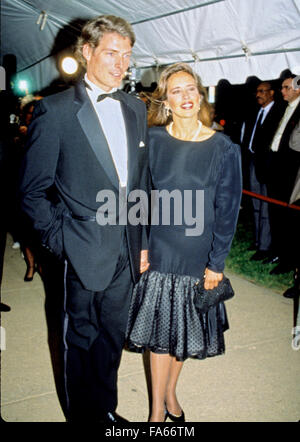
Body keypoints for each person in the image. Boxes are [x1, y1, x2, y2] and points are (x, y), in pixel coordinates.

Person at [19, 15, 149, 423]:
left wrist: (143, 242)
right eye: (112, 53)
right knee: (80, 341)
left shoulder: (134, 108)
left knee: (111, 340)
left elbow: (140, 183)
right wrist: (62, 242)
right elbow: (31, 192)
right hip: (81, 249)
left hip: (127, 251)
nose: (121, 64)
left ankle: (105, 411)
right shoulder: (55, 111)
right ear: (87, 52)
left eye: (127, 56)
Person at [126, 63, 242, 422]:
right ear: (166, 101)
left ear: (200, 93)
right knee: (161, 331)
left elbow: (228, 210)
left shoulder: (223, 147)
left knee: (183, 332)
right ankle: (155, 416)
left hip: (198, 252)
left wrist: (216, 264)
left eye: (190, 88)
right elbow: (140, 196)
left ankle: (170, 392)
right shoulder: (153, 139)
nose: (185, 96)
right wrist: (142, 244)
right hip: (160, 248)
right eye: (176, 91)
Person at [240, 82, 285, 261]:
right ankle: (258, 241)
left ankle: (265, 246)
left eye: (262, 91)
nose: (258, 95)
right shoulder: (256, 112)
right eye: (257, 91)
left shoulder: (278, 113)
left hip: (267, 166)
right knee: (256, 205)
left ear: (271, 93)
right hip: (253, 162)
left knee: (265, 207)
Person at [267, 75, 300, 274]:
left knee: (288, 216)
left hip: (290, 171)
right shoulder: (283, 108)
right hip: (276, 166)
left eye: (286, 87)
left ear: (298, 89)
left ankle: (288, 260)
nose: (282, 91)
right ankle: (277, 251)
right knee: (276, 213)